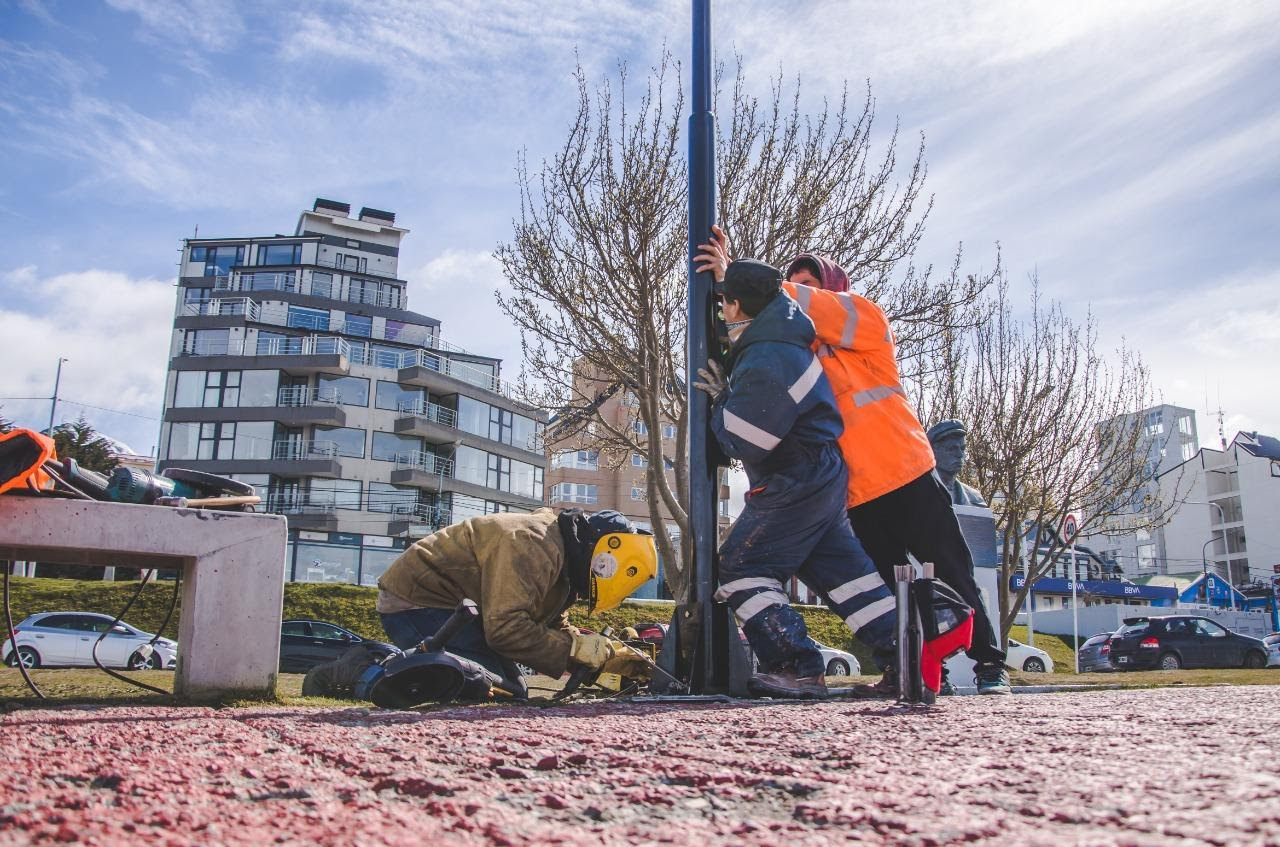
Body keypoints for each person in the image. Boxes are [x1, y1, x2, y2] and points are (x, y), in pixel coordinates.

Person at [697, 227, 1010, 695]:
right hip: (852, 489)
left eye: (810, 284)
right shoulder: (797, 347)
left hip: (902, 472)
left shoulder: (862, 319)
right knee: (869, 581)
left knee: (947, 567)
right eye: (795, 283)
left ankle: (989, 665)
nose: (804, 293)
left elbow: (783, 308)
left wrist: (740, 279)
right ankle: (915, 666)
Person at [692, 257, 897, 699]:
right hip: (819, 473)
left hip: (795, 477)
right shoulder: (782, 335)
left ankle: (795, 665)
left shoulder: (768, 354)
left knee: (742, 567)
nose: (722, 315)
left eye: (724, 305)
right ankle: (908, 653)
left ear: (736, 306)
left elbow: (745, 440)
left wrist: (721, 402)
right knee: (844, 575)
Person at [304, 507, 659, 702]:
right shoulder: (532, 544)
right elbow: (506, 630)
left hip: (455, 609)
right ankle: (362, 669)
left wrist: (607, 654)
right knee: (485, 686)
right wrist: (578, 648)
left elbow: (549, 626)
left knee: (508, 688)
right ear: (604, 552)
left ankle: (391, 660)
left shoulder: (562, 561)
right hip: (419, 602)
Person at [927, 420, 988, 507]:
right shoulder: (915, 494)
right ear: (933, 452)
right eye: (952, 448)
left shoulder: (975, 499)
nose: (960, 454)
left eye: (962, 448)